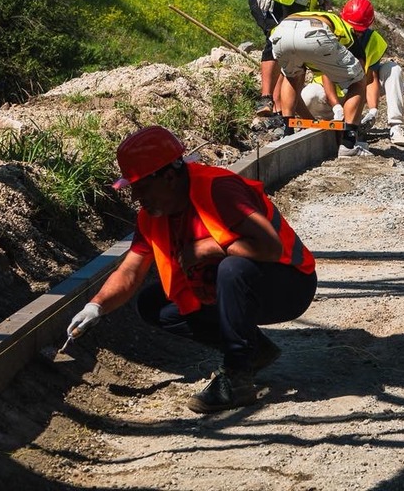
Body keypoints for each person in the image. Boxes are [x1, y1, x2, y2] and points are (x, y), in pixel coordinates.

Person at [66, 125, 317, 413]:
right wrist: (96, 307)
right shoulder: (153, 216)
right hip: (242, 289)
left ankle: (237, 375)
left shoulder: (219, 190)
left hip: (289, 286)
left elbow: (270, 248)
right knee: (154, 304)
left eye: (141, 186)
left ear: (169, 177)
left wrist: (209, 248)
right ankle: (255, 350)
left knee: (232, 269)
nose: (135, 196)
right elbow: (130, 271)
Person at [300, 0, 404, 147]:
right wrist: (337, 107)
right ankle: (324, 125)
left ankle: (395, 126)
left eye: (360, 31)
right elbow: (327, 76)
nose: (356, 34)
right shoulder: (332, 36)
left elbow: (371, 78)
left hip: (357, 94)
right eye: (353, 29)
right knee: (308, 95)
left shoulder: (372, 40)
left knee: (393, 69)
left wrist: (373, 110)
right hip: (329, 95)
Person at [269, 8, 372, 157]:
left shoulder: (321, 15)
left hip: (282, 31)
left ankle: (288, 131)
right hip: (314, 33)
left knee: (292, 75)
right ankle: (348, 144)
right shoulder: (347, 29)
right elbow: (359, 69)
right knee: (358, 79)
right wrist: (350, 113)